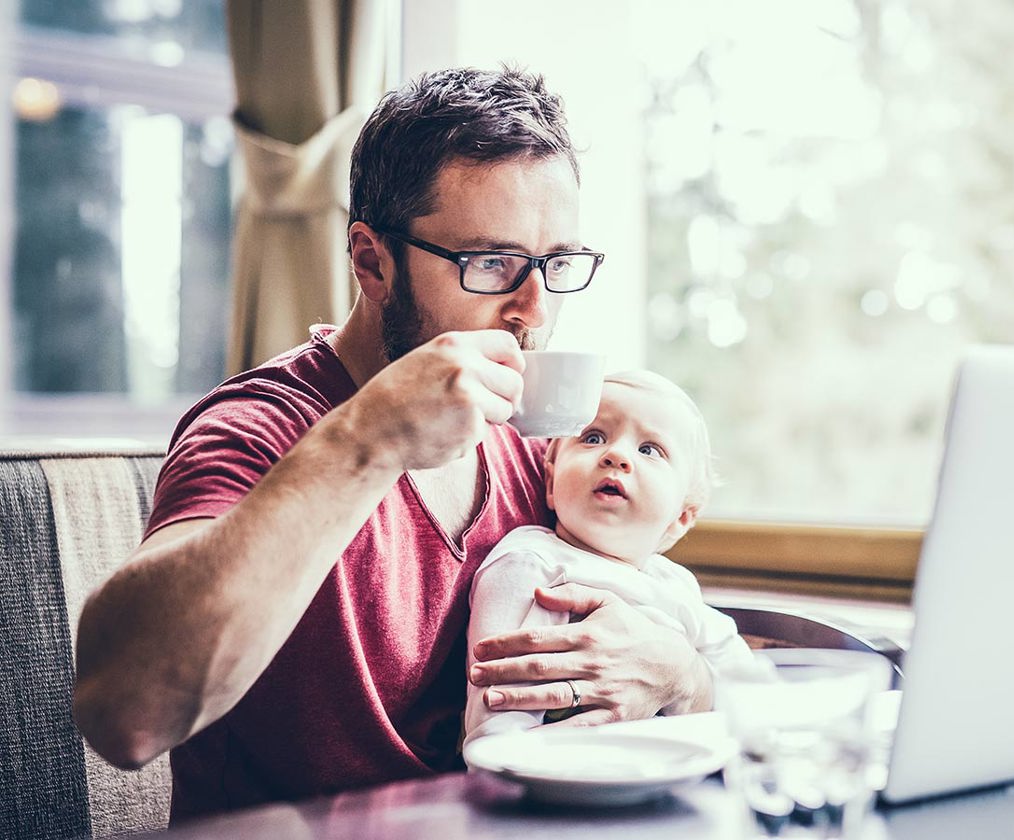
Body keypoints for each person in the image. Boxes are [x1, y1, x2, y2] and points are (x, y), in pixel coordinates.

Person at [71, 66, 714, 819]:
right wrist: (369, 439)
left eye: (557, 264)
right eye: (493, 263)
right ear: (372, 261)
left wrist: (680, 675)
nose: (534, 310)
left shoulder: (535, 449)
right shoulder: (258, 427)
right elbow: (125, 714)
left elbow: (653, 652)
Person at [463, 370, 756, 746]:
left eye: (650, 449)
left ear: (681, 517)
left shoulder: (677, 586)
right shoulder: (529, 563)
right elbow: (497, 720)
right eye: (593, 437)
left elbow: (748, 691)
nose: (616, 455)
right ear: (550, 483)